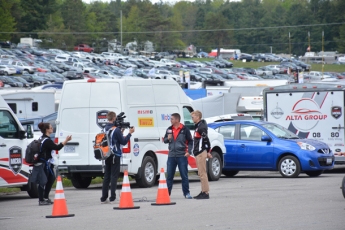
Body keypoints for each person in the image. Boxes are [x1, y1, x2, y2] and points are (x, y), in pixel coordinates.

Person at [31, 122, 72, 205]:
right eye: (50, 128)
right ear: (46, 130)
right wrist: (66, 140)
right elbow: (57, 148)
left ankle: (45, 197)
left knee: (51, 179)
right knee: (43, 181)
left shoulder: (42, 138)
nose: (52, 128)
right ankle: (41, 200)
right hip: (43, 164)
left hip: (46, 163)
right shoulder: (46, 140)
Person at [100, 111, 135, 204]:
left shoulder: (104, 129)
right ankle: (112, 197)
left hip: (107, 154)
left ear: (108, 118)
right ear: (114, 118)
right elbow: (123, 142)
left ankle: (104, 197)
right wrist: (130, 133)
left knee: (107, 176)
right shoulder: (116, 130)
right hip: (115, 155)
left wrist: (121, 132)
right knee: (114, 176)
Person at [163, 113, 193, 199]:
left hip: (182, 155)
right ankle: (167, 194)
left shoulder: (185, 129)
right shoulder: (169, 129)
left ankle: (186, 193)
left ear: (177, 120)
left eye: (172, 119)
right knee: (169, 176)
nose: (170, 120)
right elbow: (165, 140)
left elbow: (190, 141)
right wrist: (167, 138)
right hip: (171, 155)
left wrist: (189, 152)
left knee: (184, 175)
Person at [191, 110, 212, 199]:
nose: (192, 118)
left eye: (193, 116)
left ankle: (206, 193)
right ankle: (203, 190)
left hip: (200, 153)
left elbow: (206, 140)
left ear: (198, 117)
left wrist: (207, 151)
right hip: (198, 153)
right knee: (200, 173)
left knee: (203, 173)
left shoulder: (201, 127)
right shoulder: (197, 127)